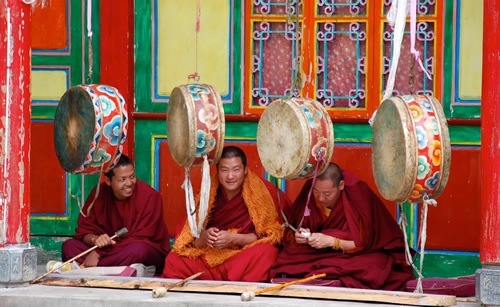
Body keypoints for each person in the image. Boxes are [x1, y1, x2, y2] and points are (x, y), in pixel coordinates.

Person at [269, 162, 415, 290]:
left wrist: (332, 241)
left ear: (341, 185)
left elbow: (363, 243)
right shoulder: (309, 191)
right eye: (316, 192)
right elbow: (291, 231)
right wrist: (298, 237)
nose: (320, 198)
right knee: (285, 258)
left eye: (327, 194)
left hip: (354, 254)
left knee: (374, 265)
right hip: (315, 252)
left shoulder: (358, 193)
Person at [162, 146, 289, 282]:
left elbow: (270, 236)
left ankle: (216, 278)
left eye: (236, 169)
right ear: (217, 171)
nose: (230, 176)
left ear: (245, 170)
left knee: (266, 252)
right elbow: (188, 238)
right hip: (211, 256)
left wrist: (233, 238)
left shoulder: (263, 193)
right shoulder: (208, 193)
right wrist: (205, 237)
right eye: (224, 170)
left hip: (241, 256)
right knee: (174, 259)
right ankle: (226, 278)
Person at [61, 154, 171, 275]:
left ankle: (91, 268)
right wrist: (95, 240)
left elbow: (141, 238)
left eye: (132, 176)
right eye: (122, 179)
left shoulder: (150, 197)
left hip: (136, 249)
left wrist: (99, 253)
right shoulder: (99, 193)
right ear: (108, 180)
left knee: (139, 250)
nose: (129, 183)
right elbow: (84, 230)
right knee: (69, 246)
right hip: (112, 253)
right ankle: (119, 269)